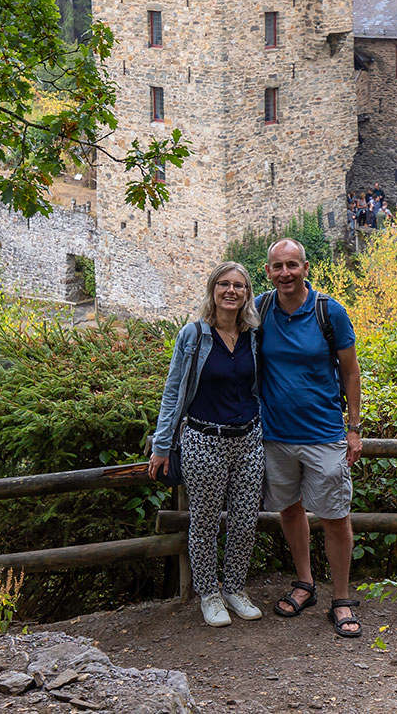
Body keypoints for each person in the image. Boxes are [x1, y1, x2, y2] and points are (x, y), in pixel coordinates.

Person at [257, 238, 364, 639]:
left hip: (323, 434)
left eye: (292, 265)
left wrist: (353, 428)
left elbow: (351, 372)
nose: (285, 272)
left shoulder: (329, 311)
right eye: (277, 266)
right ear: (267, 272)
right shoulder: (261, 309)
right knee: (289, 509)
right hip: (275, 435)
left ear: (305, 267)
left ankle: (341, 597)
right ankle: (305, 584)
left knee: (336, 517)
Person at [149, 262, 266, 627]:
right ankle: (209, 594)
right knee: (204, 522)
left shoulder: (253, 336)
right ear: (212, 289)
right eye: (224, 284)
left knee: (246, 520)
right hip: (204, 440)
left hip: (248, 439)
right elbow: (173, 392)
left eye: (239, 286)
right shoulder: (194, 335)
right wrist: (162, 445)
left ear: (247, 294)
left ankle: (234, 588)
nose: (231, 291)